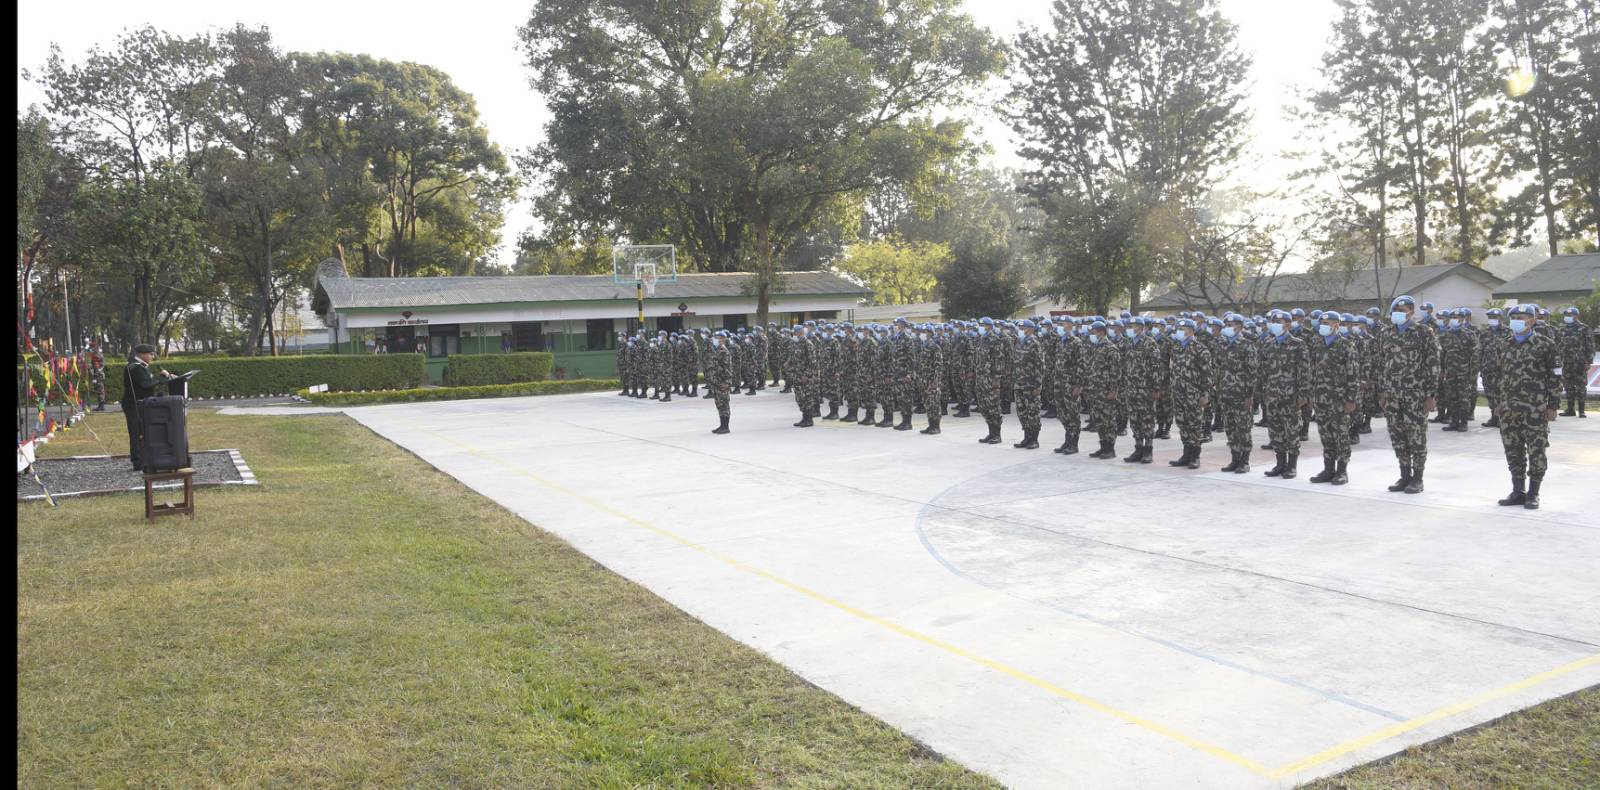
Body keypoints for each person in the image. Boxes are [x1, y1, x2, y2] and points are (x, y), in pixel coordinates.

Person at [1494, 305, 1562, 509]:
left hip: (1535, 409)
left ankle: (1533, 493)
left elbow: (1555, 377)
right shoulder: (1505, 344)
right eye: (1513, 317)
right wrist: (1499, 402)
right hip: (1509, 409)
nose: (1516, 320)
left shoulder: (1546, 344)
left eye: (1521, 317)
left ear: (1532, 320)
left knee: (1536, 451)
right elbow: (1501, 376)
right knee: (1512, 450)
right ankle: (1517, 490)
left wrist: (1553, 405)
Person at [1378, 295, 1440, 494]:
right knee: (1398, 436)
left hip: (1416, 395)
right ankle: (1404, 476)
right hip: (1393, 395)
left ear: (1411, 313)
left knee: (1416, 437)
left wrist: (1430, 395)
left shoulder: (1424, 332)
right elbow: (1382, 364)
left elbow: (1433, 365)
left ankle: (1417, 478)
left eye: (1402, 311)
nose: (1398, 315)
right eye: (1395, 311)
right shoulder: (1386, 333)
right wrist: (1383, 392)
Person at [120, 343, 175, 471]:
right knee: (136, 433)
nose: (152, 356)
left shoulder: (142, 367)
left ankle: (145, 458)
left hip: (141, 404)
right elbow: (146, 384)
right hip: (133, 404)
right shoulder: (135, 367)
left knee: (143, 432)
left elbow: (149, 383)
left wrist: (168, 378)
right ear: (141, 354)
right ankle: (138, 462)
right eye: (150, 354)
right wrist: (162, 377)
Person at [1556, 306, 1593, 417]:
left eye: (1570, 315)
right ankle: (1570, 409)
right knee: (1568, 386)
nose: (1568, 317)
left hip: (1579, 362)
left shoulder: (1584, 328)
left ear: (1576, 316)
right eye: (1566, 315)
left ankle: (1581, 411)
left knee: (1581, 386)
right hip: (1565, 362)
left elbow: (1590, 345)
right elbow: (1558, 345)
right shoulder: (1562, 328)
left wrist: (1588, 361)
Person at [707, 330, 734, 434]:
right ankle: (722, 425)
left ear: (723, 339)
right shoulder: (716, 350)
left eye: (717, 337)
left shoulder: (724, 351)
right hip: (716, 382)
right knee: (719, 404)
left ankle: (726, 427)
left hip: (722, 382)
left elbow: (728, 368)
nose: (715, 339)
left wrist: (726, 382)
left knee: (724, 405)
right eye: (715, 337)